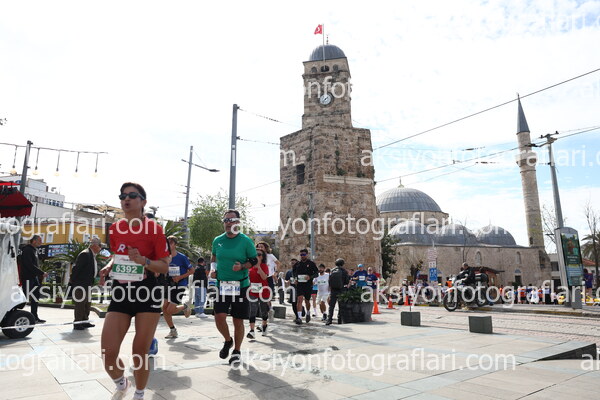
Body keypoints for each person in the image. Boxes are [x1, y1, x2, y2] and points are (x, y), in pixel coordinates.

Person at [99, 182, 171, 400]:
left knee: (139, 351)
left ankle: (139, 394)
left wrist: (144, 261)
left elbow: (164, 266)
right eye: (122, 196)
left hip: (147, 291)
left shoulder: (154, 229)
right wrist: (109, 265)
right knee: (107, 353)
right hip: (121, 292)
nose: (126, 199)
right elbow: (118, 255)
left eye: (132, 195)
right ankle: (122, 383)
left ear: (143, 201)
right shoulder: (115, 228)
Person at [210, 209, 257, 366]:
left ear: (238, 222)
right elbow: (214, 257)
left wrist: (242, 266)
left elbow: (254, 260)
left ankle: (236, 351)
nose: (228, 223)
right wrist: (212, 269)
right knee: (219, 316)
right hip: (222, 285)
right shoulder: (218, 240)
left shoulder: (245, 241)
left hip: (241, 286)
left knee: (238, 320)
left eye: (231, 220)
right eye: (226, 220)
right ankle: (228, 340)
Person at [163, 236, 194, 339]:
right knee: (164, 308)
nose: (168, 245)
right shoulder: (165, 256)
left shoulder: (182, 257)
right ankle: (172, 330)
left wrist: (180, 277)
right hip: (169, 284)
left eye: (171, 243)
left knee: (170, 310)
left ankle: (185, 307)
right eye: (167, 242)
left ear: (175, 245)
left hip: (180, 285)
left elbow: (192, 270)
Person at [70, 237, 102, 330]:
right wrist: (73, 281)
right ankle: (78, 323)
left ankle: (84, 321)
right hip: (81, 284)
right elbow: (76, 269)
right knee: (80, 304)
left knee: (87, 304)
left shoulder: (91, 255)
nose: (100, 248)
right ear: (94, 245)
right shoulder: (85, 254)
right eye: (100, 246)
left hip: (87, 284)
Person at [19, 235, 47, 323]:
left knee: (36, 296)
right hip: (27, 277)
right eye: (39, 240)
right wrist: (41, 272)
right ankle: (15, 315)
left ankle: (34, 316)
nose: (41, 242)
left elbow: (34, 265)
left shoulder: (34, 250)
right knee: (24, 297)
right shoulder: (27, 250)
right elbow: (29, 264)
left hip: (34, 277)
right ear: (34, 241)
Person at [246, 249, 270, 339]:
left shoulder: (264, 266)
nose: (257, 256)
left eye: (259, 255)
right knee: (252, 310)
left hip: (264, 291)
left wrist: (259, 267)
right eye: (255, 254)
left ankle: (264, 326)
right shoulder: (250, 267)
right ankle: (252, 331)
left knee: (263, 311)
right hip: (253, 291)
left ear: (262, 257)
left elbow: (264, 277)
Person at [292, 249, 318, 325]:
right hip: (300, 284)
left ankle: (308, 312)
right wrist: (295, 279)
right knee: (299, 299)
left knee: (307, 301)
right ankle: (299, 317)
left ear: (307, 254)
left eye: (303, 254)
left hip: (308, 285)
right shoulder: (297, 264)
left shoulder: (311, 264)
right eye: (301, 255)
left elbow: (316, 273)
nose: (302, 256)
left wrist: (310, 277)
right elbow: (294, 273)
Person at [326, 258, 350, 325]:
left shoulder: (332, 270)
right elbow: (346, 281)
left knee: (331, 306)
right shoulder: (344, 271)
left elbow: (329, 281)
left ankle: (329, 319)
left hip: (333, 290)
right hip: (341, 290)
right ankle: (339, 320)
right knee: (341, 306)